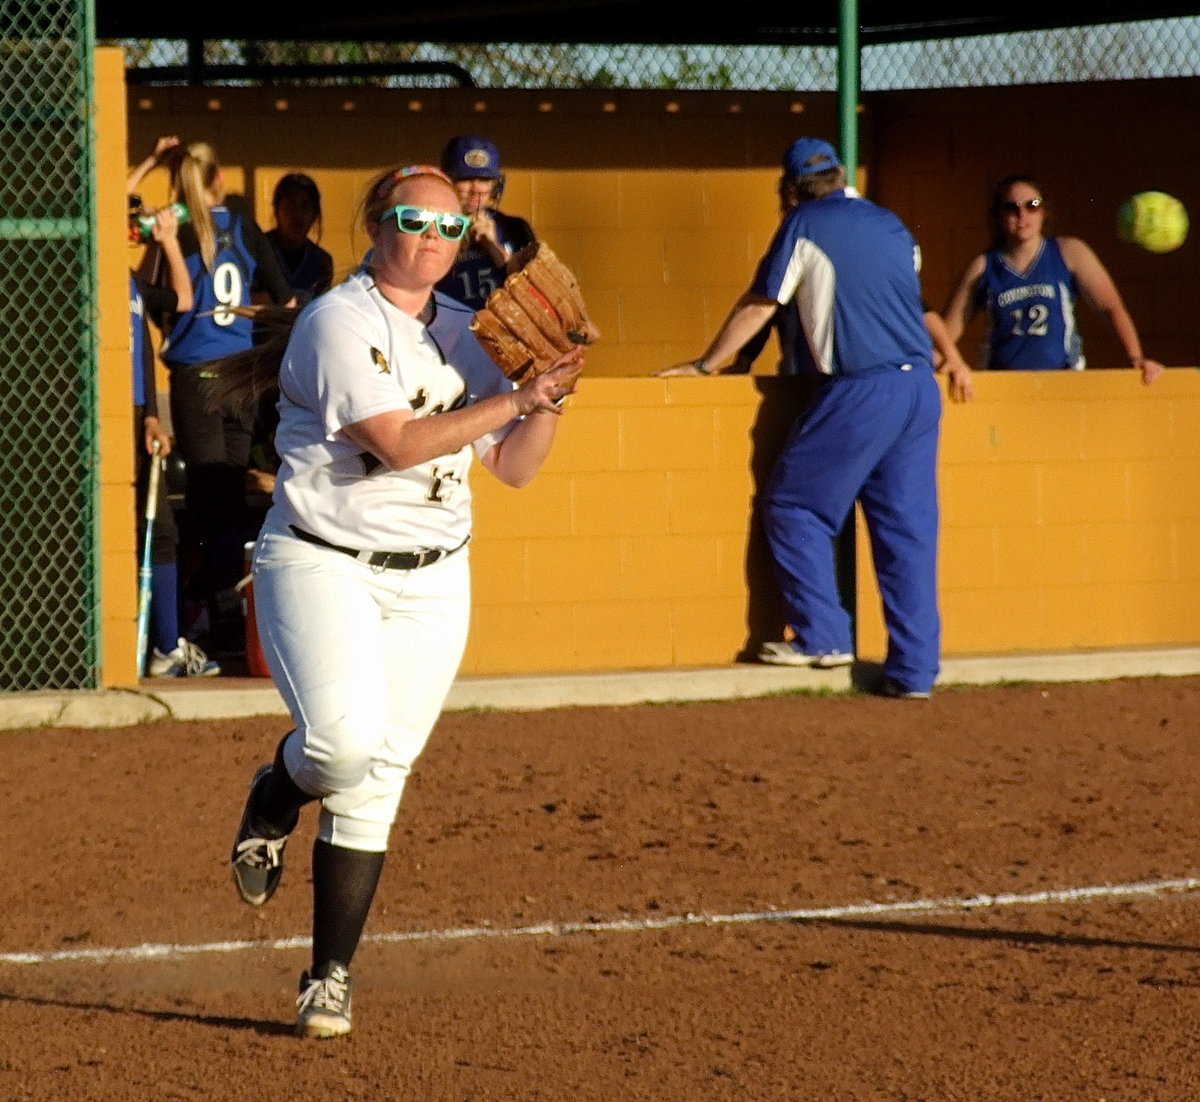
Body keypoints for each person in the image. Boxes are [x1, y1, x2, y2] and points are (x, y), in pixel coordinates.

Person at [227, 163, 583, 1039]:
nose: (432, 237)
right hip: (323, 561)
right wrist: (516, 392)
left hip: (433, 575)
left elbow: (515, 468)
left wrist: (555, 392)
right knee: (339, 744)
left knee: (380, 774)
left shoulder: (468, 331)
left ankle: (328, 978)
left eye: (449, 226)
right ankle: (278, 791)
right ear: (376, 224)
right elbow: (398, 444)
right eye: (413, 218)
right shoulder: (336, 321)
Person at [660, 137, 943, 699]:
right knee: (906, 535)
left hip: (860, 389)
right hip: (919, 390)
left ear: (790, 190)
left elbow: (764, 302)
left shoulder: (804, 223)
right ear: (840, 175)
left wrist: (706, 364)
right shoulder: (891, 223)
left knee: (794, 506)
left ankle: (822, 636)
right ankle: (914, 673)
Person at [148, 140, 297, 660]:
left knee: (212, 507)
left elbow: (153, 298)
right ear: (218, 181)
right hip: (240, 374)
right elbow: (287, 298)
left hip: (197, 373)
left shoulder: (176, 229)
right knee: (227, 502)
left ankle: (225, 627)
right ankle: (233, 623)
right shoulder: (241, 222)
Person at [127, 137, 221, 677]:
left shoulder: (134, 283)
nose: (132, 223)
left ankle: (166, 647)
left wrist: (164, 241)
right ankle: (157, 645)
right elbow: (109, 201)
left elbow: (183, 299)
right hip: (107, 426)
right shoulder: (92, 278)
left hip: (141, 420)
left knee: (161, 529)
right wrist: (146, 166)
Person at [940, 174, 1165, 384]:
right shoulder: (984, 266)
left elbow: (1110, 308)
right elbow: (946, 332)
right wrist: (947, 363)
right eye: (1011, 208)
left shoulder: (1069, 252)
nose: (1022, 215)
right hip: (1005, 384)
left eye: (1032, 206)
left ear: (1044, 212)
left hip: (1062, 381)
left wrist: (1136, 357)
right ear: (998, 216)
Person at [434, 135, 536, 310]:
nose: (476, 189)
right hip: (446, 329)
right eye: (465, 179)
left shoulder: (514, 228)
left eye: (484, 179)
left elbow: (535, 291)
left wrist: (494, 247)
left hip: (504, 327)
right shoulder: (430, 226)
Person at [265, 172, 334, 307]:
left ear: (314, 214)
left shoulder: (322, 262)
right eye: (290, 204)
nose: (297, 214)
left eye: (305, 205)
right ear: (277, 210)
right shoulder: (258, 250)